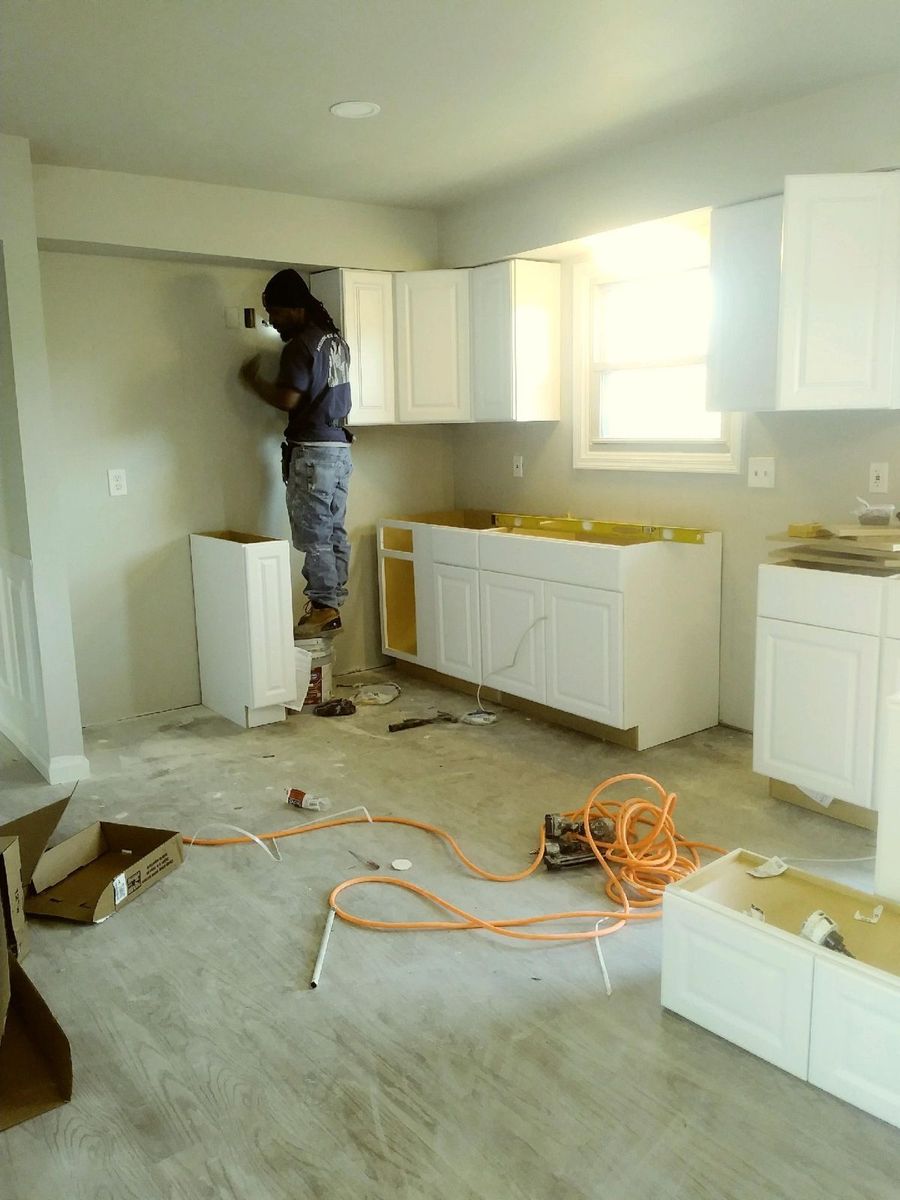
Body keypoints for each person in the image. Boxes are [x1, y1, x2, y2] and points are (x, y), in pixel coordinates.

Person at [238, 268, 353, 638]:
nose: (272, 321)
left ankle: (323, 606)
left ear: (295, 308)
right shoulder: (335, 342)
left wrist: (253, 381)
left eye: (275, 312)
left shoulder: (301, 345)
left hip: (313, 453)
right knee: (334, 529)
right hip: (339, 450)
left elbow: (288, 398)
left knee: (313, 533)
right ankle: (333, 598)